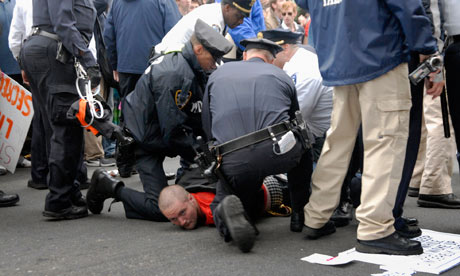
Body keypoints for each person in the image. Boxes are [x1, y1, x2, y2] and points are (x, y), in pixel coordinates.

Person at [295, 0, 439, 255]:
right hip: (380, 54)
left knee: (338, 140)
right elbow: (407, 6)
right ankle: (376, 228)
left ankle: (316, 215)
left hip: (339, 59)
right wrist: (427, 49)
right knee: (385, 143)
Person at [86, 20, 234, 222]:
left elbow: (196, 117)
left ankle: (185, 180)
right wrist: (200, 156)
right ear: (198, 49)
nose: (216, 63)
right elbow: (173, 129)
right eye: (213, 57)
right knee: (162, 209)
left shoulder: (194, 67)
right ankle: (107, 186)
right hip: (146, 140)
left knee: (199, 185)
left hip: (163, 134)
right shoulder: (174, 73)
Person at [202, 38, 313, 253]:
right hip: (277, 152)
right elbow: (296, 122)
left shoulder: (217, 75)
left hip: (232, 157)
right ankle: (299, 215)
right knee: (304, 145)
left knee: (226, 197)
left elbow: (207, 127)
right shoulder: (281, 76)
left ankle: (227, 219)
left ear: (245, 55)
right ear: (270, 60)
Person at [20, 0, 102, 220]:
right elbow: (63, 23)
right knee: (66, 129)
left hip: (44, 50)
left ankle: (69, 191)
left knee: (55, 127)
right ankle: (59, 200)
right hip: (54, 52)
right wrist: (88, 59)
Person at [104, 0, 181, 177]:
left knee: (128, 115)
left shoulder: (117, 3)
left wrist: (115, 63)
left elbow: (109, 34)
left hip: (127, 66)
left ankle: (125, 162)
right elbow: (174, 30)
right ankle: (151, 166)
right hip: (154, 66)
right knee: (153, 117)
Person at [159, 176, 290, 230]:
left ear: (191, 199)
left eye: (183, 213)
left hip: (275, 189)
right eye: (173, 219)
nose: (182, 222)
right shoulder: (185, 187)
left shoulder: (213, 209)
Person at [154, 0, 255, 54]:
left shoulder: (218, 14)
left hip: (176, 59)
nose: (241, 22)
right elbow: (207, 58)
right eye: (238, 16)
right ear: (227, 8)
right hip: (168, 61)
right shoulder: (212, 20)